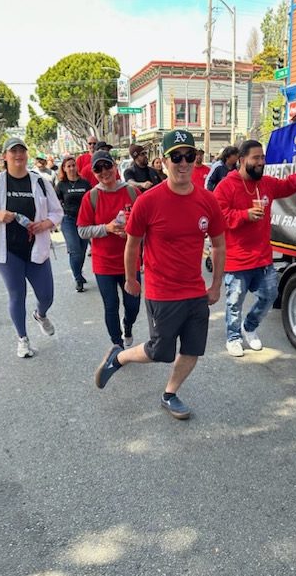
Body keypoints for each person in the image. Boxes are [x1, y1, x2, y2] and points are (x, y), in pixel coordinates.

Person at [94, 129, 226, 421]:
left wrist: (216, 284)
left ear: (196, 159)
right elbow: (132, 244)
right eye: (176, 157)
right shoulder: (149, 201)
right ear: (164, 161)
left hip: (195, 290)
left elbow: (218, 244)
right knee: (160, 351)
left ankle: (170, 394)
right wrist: (131, 278)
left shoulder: (207, 200)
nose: (183, 163)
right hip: (161, 290)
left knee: (192, 350)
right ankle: (118, 357)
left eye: (189, 156)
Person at [214, 139, 296, 356]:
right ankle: (233, 337)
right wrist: (245, 215)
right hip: (237, 259)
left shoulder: (266, 183)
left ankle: (249, 327)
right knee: (234, 303)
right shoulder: (226, 186)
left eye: (263, 158)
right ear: (242, 160)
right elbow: (219, 217)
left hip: (263, 256)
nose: (261, 162)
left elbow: (290, 184)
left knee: (270, 295)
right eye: (256, 158)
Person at [0, 137, 64, 358]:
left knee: (47, 296)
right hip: (7, 250)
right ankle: (22, 339)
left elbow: (57, 212)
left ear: (26, 155)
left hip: (36, 248)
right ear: (5, 156)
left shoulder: (40, 181)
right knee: (17, 293)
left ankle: (40, 315)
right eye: (12, 151)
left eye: (21, 150)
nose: (18, 155)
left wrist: (45, 224)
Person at [77, 150, 141, 348]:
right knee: (110, 306)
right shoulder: (91, 197)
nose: (104, 172)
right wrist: (107, 228)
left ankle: (128, 327)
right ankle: (117, 344)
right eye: (98, 169)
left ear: (115, 166)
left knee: (132, 306)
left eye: (107, 166)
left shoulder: (132, 192)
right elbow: (82, 230)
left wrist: (131, 233)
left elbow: (147, 226)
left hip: (129, 262)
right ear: (94, 173)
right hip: (103, 262)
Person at [55, 155, 91, 292]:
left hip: (84, 220)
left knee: (82, 251)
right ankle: (78, 278)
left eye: (73, 165)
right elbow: (55, 203)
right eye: (68, 166)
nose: (71, 168)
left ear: (77, 167)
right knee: (74, 250)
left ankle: (79, 272)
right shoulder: (61, 185)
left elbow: (92, 200)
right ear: (64, 169)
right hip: (68, 220)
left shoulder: (85, 183)